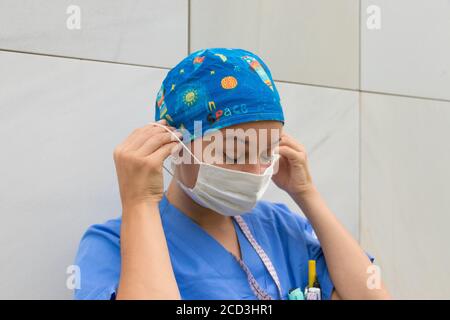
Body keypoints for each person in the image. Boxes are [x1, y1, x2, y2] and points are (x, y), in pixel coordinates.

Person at [74, 48, 390, 300]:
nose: (254, 171)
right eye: (233, 153)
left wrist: (306, 194)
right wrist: (139, 203)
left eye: (267, 153)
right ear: (175, 143)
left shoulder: (280, 227)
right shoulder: (112, 244)